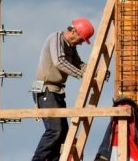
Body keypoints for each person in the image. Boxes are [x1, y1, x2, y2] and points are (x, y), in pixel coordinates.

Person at [31, 18, 95, 161]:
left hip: (57, 92)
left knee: (63, 135)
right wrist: (83, 75)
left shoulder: (71, 46)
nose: (81, 43)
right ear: (73, 31)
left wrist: (94, 71)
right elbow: (59, 61)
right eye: (81, 39)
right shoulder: (56, 38)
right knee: (55, 130)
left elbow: (78, 64)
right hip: (46, 91)